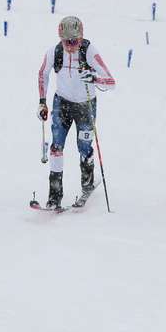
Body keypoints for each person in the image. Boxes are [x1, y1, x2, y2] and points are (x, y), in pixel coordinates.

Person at [37, 16, 115, 209]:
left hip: (85, 105)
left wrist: (94, 77)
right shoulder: (54, 52)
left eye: (75, 41)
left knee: (84, 147)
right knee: (56, 147)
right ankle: (54, 196)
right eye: (67, 42)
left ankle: (87, 184)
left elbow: (111, 82)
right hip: (61, 103)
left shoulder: (89, 51)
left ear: (81, 37)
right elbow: (42, 74)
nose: (71, 46)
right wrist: (42, 102)